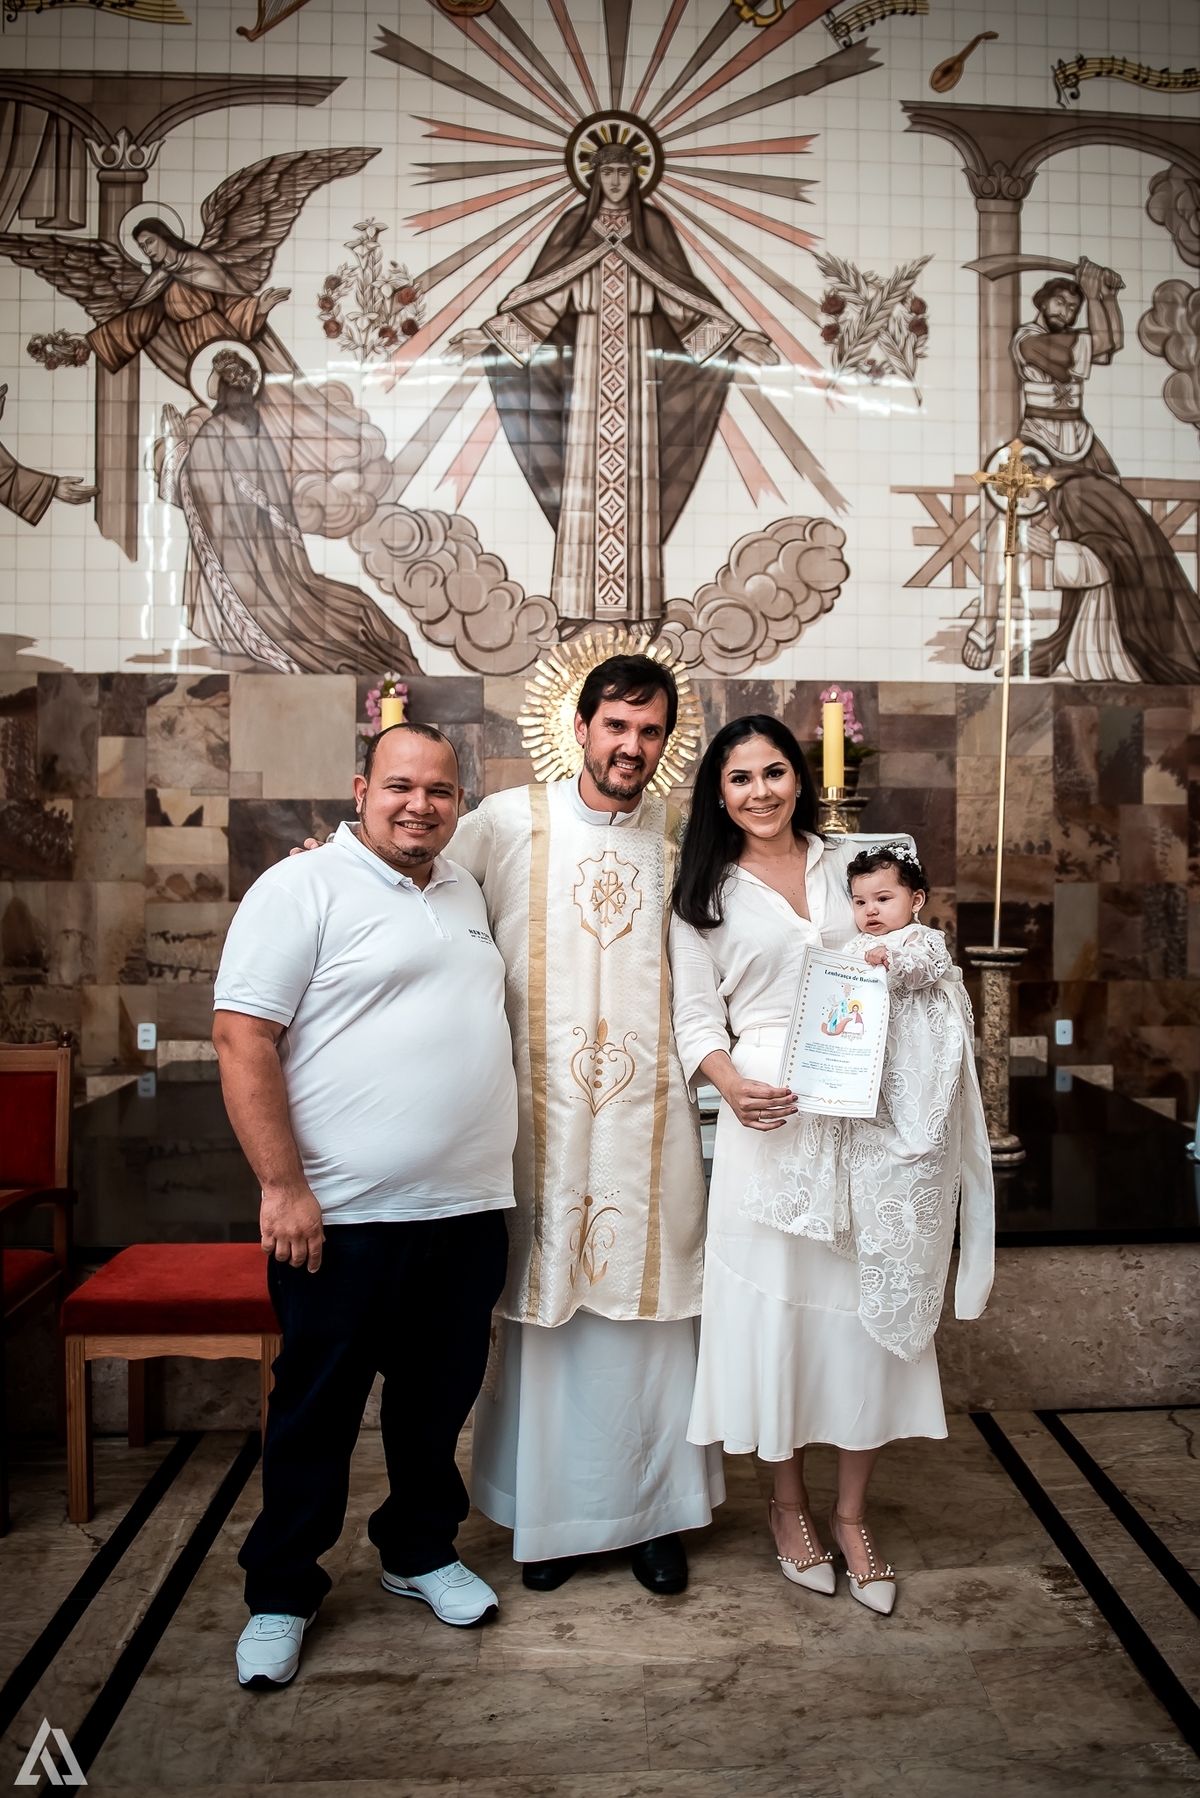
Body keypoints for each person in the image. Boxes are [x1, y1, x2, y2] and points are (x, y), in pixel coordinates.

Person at [213, 723, 517, 1690]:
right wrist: (283, 1187)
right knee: (317, 1413)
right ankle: (281, 1592)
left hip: (465, 1213)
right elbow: (240, 1037)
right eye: (400, 785)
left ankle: (417, 1551)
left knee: (434, 1410)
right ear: (360, 790)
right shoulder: (300, 887)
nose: (419, 804)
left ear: (456, 803)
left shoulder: (465, 890)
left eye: (438, 790)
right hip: (339, 1219)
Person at [669, 717, 983, 1619]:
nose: (761, 791)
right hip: (768, 1115)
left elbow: (921, 949)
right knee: (780, 1318)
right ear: (717, 793)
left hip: (868, 1112)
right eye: (740, 778)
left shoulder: (855, 860)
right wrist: (730, 1084)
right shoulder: (703, 890)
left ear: (800, 779)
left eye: (775, 772)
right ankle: (788, 1507)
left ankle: (852, 1517)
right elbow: (698, 1021)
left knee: (855, 1314)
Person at [453, 654, 722, 1594]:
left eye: (650, 732)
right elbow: (418, 891)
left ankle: (652, 1519)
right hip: (544, 1125)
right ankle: (552, 1521)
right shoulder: (506, 823)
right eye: (617, 726)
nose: (632, 747)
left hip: (647, 1132)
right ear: (580, 725)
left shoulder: (685, 836)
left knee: (647, 1328)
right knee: (548, 1325)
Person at [458, 139, 775, 625]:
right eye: (607, 173)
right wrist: (488, 336)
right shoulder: (577, 229)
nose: (615, 182)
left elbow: (681, 298)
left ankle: (639, 607)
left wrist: (737, 340)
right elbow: (544, 301)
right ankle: (576, 605)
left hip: (635, 369)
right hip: (586, 369)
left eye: (624, 173)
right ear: (593, 177)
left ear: (637, 176)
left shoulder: (652, 231)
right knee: (583, 484)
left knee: (636, 480)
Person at [158, 348, 417, 675]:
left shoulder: (214, 430)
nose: (208, 380)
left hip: (237, 549)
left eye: (212, 373)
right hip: (264, 545)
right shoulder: (254, 427)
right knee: (302, 602)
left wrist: (177, 444)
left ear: (222, 384)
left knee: (277, 615)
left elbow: (195, 489)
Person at [1024, 471, 1200, 682]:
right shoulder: (1068, 492)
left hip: (1126, 600)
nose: (1022, 505)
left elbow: (1114, 552)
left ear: (1034, 480)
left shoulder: (1075, 493)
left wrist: (1056, 550)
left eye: (1022, 495)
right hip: (1105, 595)